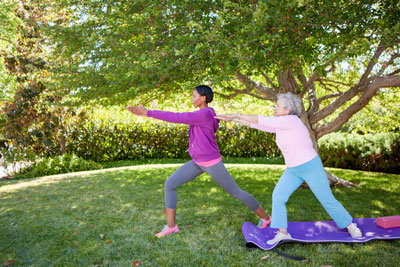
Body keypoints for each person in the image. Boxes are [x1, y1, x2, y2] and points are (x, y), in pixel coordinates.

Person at [216, 92, 362, 245]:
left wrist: (236, 114)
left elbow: (261, 119)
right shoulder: (281, 125)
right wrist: (233, 118)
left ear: (288, 109)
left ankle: (350, 225)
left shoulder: (291, 121)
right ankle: (282, 233)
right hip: (293, 169)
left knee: (326, 199)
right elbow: (258, 124)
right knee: (278, 196)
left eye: (277, 106)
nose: (274, 108)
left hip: (310, 166)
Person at [126, 85, 271, 237]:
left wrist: (148, 113)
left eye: (194, 96)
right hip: (197, 162)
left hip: (211, 162)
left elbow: (177, 117)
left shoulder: (205, 114)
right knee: (170, 184)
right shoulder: (203, 114)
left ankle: (266, 218)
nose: (192, 98)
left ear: (203, 98)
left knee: (235, 192)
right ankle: (171, 226)